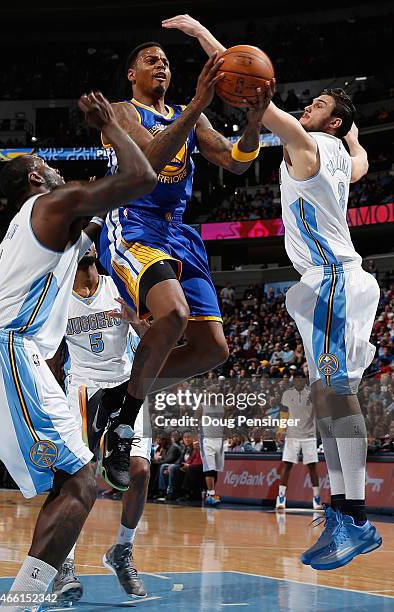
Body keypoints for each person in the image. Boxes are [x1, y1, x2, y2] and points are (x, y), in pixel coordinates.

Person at [165, 14, 382, 571]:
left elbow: (251, 90)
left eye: (317, 108)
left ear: (329, 126)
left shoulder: (308, 146)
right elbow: (360, 163)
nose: (306, 108)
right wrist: (355, 140)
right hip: (335, 285)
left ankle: (356, 520)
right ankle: (344, 515)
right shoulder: (339, 155)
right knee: (327, 403)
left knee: (334, 400)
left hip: (332, 280)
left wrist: (204, 39)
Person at [0, 92, 156, 611]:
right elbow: (140, 177)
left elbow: (134, 190)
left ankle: (25, 599)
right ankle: (20, 604)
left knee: (76, 483)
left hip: (19, 358)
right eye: (46, 164)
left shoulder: (47, 223)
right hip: (12, 353)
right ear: (35, 179)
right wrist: (110, 126)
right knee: (81, 483)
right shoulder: (49, 206)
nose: (56, 169)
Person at [98, 44, 273, 488]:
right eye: (151, 60)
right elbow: (149, 164)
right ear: (131, 74)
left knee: (214, 349)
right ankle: (122, 429)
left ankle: (121, 394)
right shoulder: (121, 111)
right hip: (133, 223)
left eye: (167, 61)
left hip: (179, 231)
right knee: (173, 314)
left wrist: (253, 126)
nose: (162, 65)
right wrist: (197, 106)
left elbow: (235, 162)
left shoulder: (189, 115)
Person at [48, 245, 151, 601]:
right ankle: (65, 565)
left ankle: (122, 550)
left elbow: (149, 335)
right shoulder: (58, 296)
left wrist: (139, 322)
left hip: (125, 384)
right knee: (79, 479)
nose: (87, 243)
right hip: (81, 388)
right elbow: (50, 356)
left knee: (139, 471)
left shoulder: (119, 286)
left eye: (89, 237)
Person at [275, 374, 323, 511]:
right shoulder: (287, 394)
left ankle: (316, 498)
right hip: (292, 434)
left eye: (300, 380)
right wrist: (280, 430)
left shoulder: (312, 394)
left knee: (312, 467)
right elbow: (284, 414)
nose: (297, 382)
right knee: (287, 466)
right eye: (295, 380)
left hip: (309, 435)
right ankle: (281, 497)